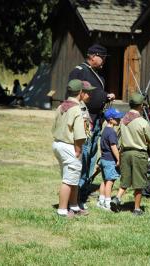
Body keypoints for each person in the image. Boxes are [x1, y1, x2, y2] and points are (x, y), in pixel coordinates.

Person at [68, 44, 116, 207]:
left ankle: (84, 187)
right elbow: (73, 94)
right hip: (85, 120)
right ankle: (78, 192)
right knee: (84, 155)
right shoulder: (79, 71)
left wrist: (105, 96)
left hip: (96, 119)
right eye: (102, 57)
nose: (103, 61)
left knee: (91, 155)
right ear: (93, 56)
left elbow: (95, 94)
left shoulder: (97, 74)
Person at [51, 79, 96, 217]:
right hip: (71, 146)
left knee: (73, 178)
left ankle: (74, 207)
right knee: (68, 180)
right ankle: (63, 211)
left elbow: (54, 126)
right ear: (81, 92)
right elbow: (79, 133)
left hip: (58, 143)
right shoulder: (77, 109)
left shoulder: (61, 106)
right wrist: (78, 149)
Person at [111, 93, 150, 215]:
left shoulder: (123, 120)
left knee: (125, 180)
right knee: (139, 183)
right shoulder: (143, 122)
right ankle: (137, 209)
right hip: (139, 154)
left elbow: (119, 139)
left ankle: (117, 198)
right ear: (141, 106)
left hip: (125, 153)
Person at [96, 107, 124, 211]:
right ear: (111, 119)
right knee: (110, 181)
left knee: (104, 180)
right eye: (117, 119)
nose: (119, 120)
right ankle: (108, 203)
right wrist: (118, 159)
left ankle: (101, 200)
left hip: (104, 159)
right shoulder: (111, 132)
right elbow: (113, 146)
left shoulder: (105, 130)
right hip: (110, 160)